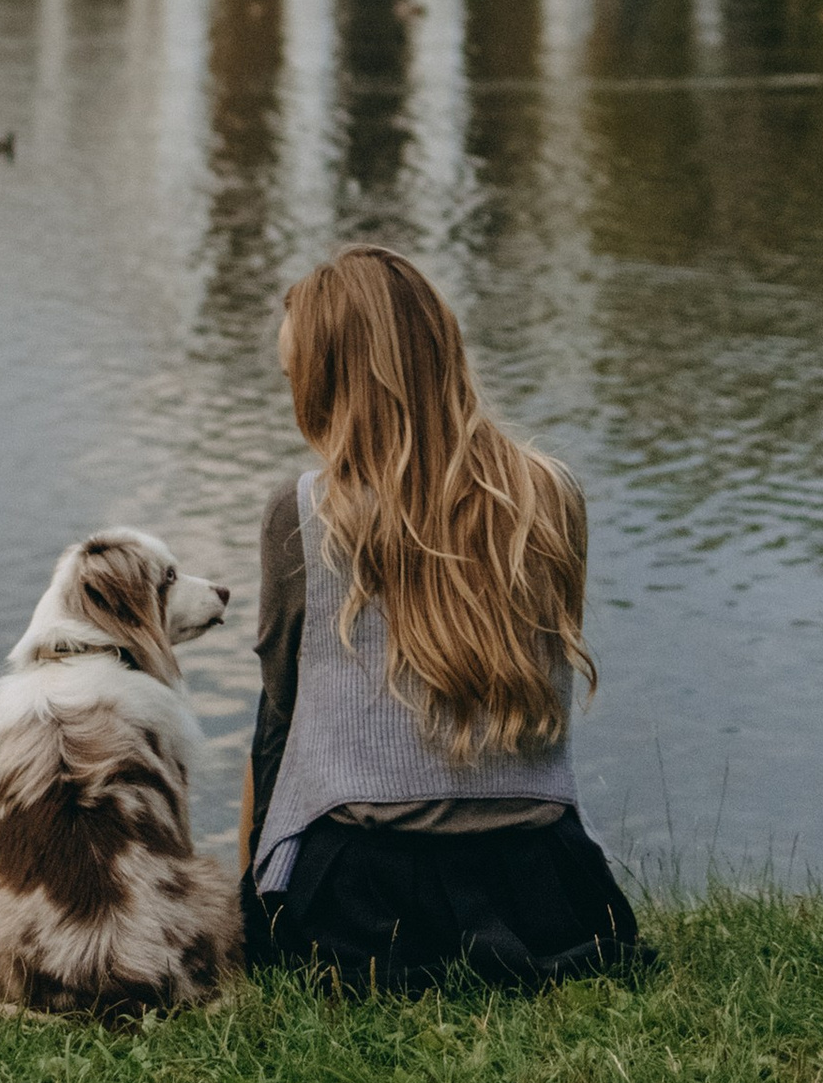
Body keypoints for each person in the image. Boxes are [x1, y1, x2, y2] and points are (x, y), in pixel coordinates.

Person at [240, 244, 648, 995]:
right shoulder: (553, 495)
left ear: (329, 383)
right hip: (547, 892)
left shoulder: (300, 513)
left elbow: (281, 718)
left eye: (296, 379)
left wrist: (250, 906)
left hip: (361, 903)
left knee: (278, 714)